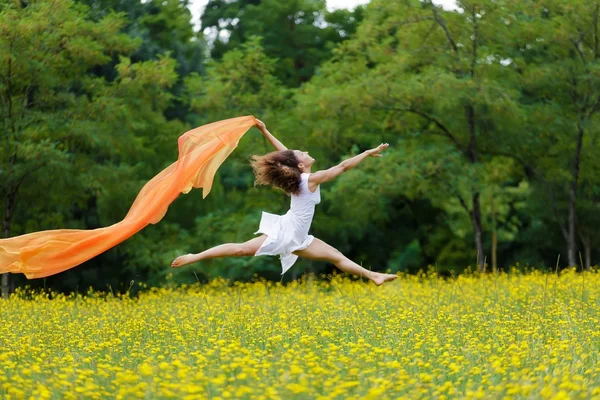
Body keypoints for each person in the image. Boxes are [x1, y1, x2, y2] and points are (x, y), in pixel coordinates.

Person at [171, 119, 397, 286]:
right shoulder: (309, 180)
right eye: (302, 152)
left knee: (337, 257)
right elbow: (342, 167)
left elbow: (285, 153)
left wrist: (265, 130)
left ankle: (374, 276)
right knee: (241, 250)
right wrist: (367, 152)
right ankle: (195, 257)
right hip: (287, 232)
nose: (305, 151)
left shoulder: (300, 176)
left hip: (300, 238)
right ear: (300, 165)